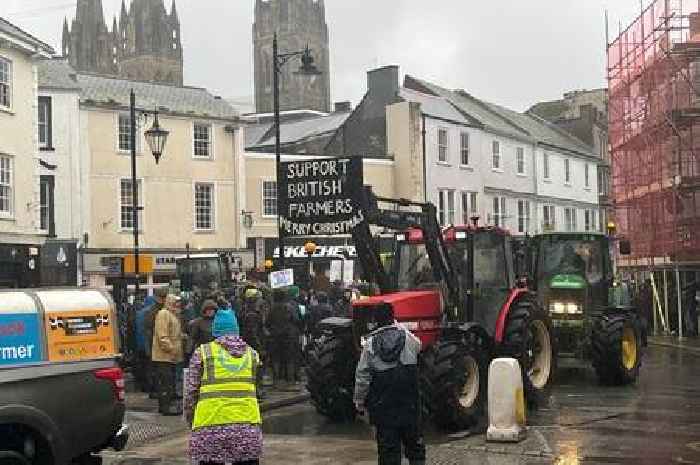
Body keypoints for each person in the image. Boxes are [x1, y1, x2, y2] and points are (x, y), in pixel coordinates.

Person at [185, 309, 263, 465]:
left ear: (215, 330)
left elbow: (191, 392)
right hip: (247, 429)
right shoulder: (252, 355)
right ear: (236, 329)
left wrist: (190, 418)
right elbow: (254, 386)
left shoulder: (202, 353)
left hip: (209, 429)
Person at [354, 303, 426, 465]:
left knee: (388, 452)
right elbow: (419, 346)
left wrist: (359, 402)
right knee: (415, 450)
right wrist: (400, 326)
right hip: (409, 405)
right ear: (393, 317)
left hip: (383, 408)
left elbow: (362, 377)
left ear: (375, 320)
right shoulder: (408, 339)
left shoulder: (370, 344)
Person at [152, 294, 185, 415]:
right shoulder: (163, 314)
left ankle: (166, 406)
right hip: (164, 356)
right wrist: (172, 349)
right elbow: (162, 336)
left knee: (168, 382)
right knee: (165, 383)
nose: (178, 305)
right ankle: (165, 408)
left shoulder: (172, 315)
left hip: (170, 357)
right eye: (176, 302)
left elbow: (173, 333)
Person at [136, 287, 168, 395]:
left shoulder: (142, 312)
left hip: (144, 345)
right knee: (156, 369)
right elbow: (149, 331)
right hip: (153, 345)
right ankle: (154, 389)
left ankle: (150, 388)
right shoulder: (154, 312)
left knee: (149, 368)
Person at [266, 288, 300, 386]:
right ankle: (290, 380)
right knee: (289, 358)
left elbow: (267, 322)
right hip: (289, 336)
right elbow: (296, 320)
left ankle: (276, 379)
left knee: (276, 358)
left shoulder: (272, 308)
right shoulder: (290, 307)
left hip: (275, 336)